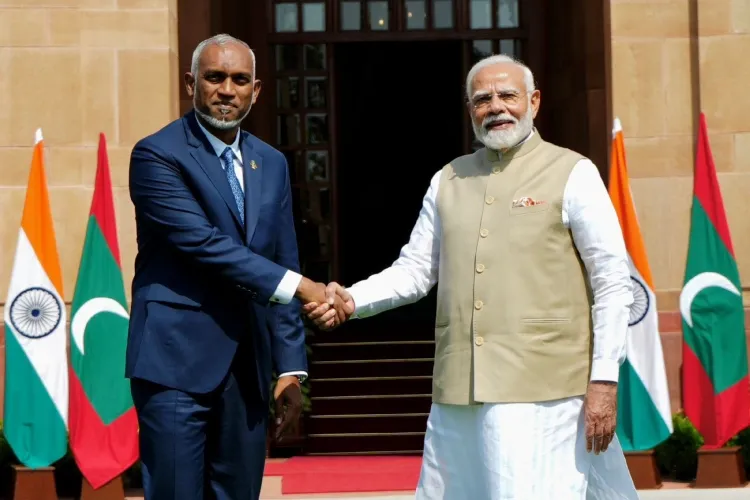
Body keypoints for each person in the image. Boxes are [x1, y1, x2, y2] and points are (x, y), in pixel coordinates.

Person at [304, 54, 640, 499]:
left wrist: (604, 379)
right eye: (483, 99)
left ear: (534, 102)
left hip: (545, 392)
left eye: (508, 95)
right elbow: (416, 270)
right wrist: (351, 299)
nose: (496, 106)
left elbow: (613, 282)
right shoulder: (449, 179)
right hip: (457, 392)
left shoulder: (573, 172)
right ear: (470, 110)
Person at [126, 34, 347, 500]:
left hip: (246, 367)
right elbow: (203, 245)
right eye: (215, 77)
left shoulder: (270, 162)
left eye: (239, 80)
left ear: (256, 90)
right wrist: (306, 288)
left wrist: (290, 367)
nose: (227, 90)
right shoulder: (157, 155)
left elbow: (281, 258)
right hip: (174, 365)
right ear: (191, 83)